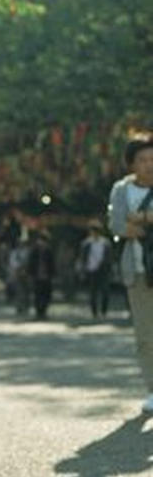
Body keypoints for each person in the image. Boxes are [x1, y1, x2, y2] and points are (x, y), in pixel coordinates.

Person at [108, 137, 153, 414]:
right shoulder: (121, 190)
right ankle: (152, 387)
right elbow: (116, 224)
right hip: (137, 271)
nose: (150, 165)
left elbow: (135, 224)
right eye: (143, 160)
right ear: (131, 164)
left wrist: (143, 219)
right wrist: (132, 225)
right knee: (145, 335)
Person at [79, 219, 113, 318]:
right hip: (91, 269)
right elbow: (83, 257)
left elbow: (109, 257)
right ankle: (94, 312)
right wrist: (83, 269)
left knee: (105, 291)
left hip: (103, 269)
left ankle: (103, 311)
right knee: (93, 292)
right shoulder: (86, 243)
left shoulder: (105, 243)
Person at [27, 231, 55, 319]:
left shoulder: (49, 251)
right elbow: (30, 263)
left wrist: (53, 274)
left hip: (47, 276)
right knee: (37, 295)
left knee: (46, 294)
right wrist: (30, 274)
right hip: (37, 276)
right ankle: (38, 312)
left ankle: (44, 311)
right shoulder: (34, 251)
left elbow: (52, 264)